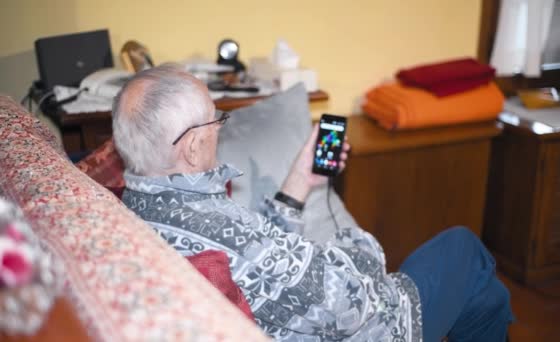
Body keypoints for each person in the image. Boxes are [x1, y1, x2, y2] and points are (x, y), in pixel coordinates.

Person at [113, 64, 513, 342]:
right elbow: (353, 301)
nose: (220, 127)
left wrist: (302, 179)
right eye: (216, 119)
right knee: (464, 250)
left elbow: (260, 258)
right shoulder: (220, 231)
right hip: (364, 327)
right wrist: (356, 239)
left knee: (486, 297)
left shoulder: (141, 204)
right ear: (194, 145)